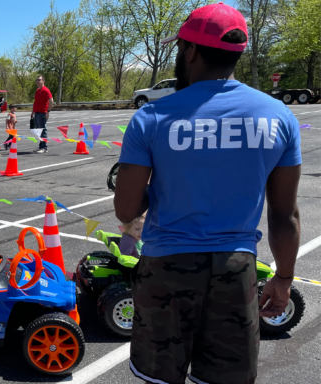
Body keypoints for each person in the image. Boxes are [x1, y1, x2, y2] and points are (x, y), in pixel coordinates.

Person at [113, 4, 301, 384]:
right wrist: (283, 278)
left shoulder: (152, 118)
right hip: (237, 270)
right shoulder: (278, 116)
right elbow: (285, 215)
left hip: (166, 268)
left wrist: (152, 185)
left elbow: (127, 208)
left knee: (159, 379)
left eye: (180, 48)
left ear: (192, 51)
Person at [31, 75, 53, 154]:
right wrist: (33, 111)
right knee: (38, 131)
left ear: (43, 81)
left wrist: (48, 111)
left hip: (43, 113)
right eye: (36, 80)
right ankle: (41, 146)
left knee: (43, 130)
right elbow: (36, 102)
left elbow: (51, 100)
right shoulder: (37, 90)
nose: (37, 81)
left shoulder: (45, 90)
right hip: (37, 113)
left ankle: (44, 147)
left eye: (39, 80)